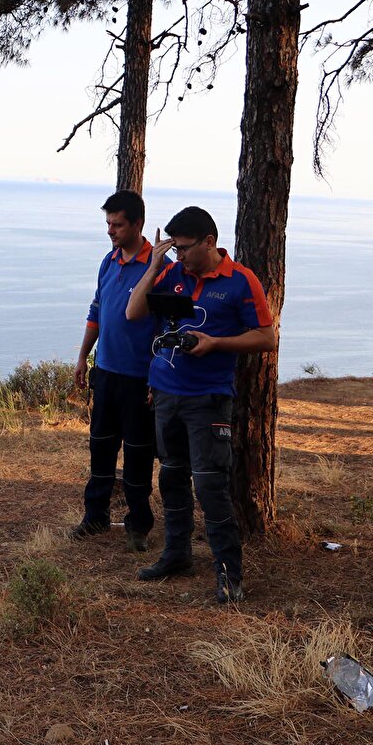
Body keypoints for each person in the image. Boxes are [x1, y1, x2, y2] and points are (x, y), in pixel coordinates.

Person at [124, 206, 276, 603]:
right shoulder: (173, 273)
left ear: (209, 242)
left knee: (210, 486)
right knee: (171, 477)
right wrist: (154, 266)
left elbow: (266, 338)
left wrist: (216, 343)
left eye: (185, 248)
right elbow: (133, 311)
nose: (181, 256)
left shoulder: (241, 281)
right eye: (174, 249)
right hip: (166, 393)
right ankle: (177, 555)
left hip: (207, 398)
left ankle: (229, 573)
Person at [71, 190, 168, 551]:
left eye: (118, 224)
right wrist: (83, 357)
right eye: (108, 223)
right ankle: (94, 516)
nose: (110, 230)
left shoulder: (160, 267)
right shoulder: (108, 261)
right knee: (101, 448)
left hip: (140, 377)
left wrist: (158, 378)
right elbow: (97, 310)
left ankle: (138, 525)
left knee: (139, 454)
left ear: (138, 224)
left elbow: (167, 327)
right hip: (106, 372)